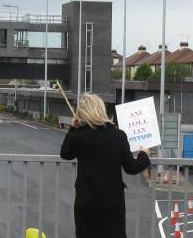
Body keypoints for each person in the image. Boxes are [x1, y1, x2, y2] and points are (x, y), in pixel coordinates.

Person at [60, 93, 151, 238]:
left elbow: (65, 153)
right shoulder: (118, 135)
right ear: (101, 109)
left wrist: (73, 128)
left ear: (82, 113)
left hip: (86, 202)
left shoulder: (78, 136)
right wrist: (144, 154)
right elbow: (131, 167)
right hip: (112, 203)